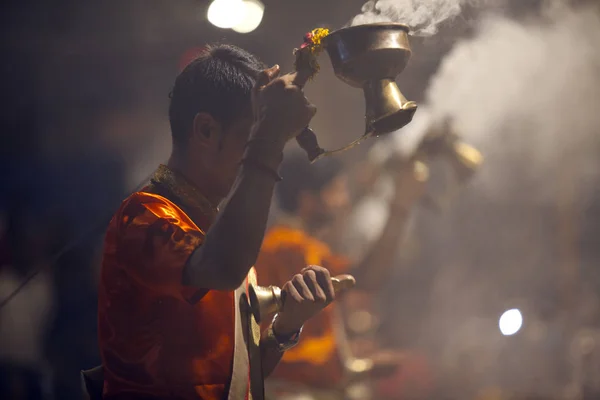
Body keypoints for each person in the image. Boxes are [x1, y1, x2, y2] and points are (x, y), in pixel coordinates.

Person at [97, 44, 349, 400]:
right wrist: (270, 136)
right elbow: (222, 267)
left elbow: (241, 379)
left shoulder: (217, 235)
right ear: (206, 130)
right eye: (251, 136)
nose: (257, 152)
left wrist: (285, 328)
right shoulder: (144, 217)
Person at [254, 151, 427, 399]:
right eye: (337, 191)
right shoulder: (289, 247)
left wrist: (364, 368)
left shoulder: (299, 245)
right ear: (308, 200)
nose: (344, 201)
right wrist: (400, 206)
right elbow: (367, 277)